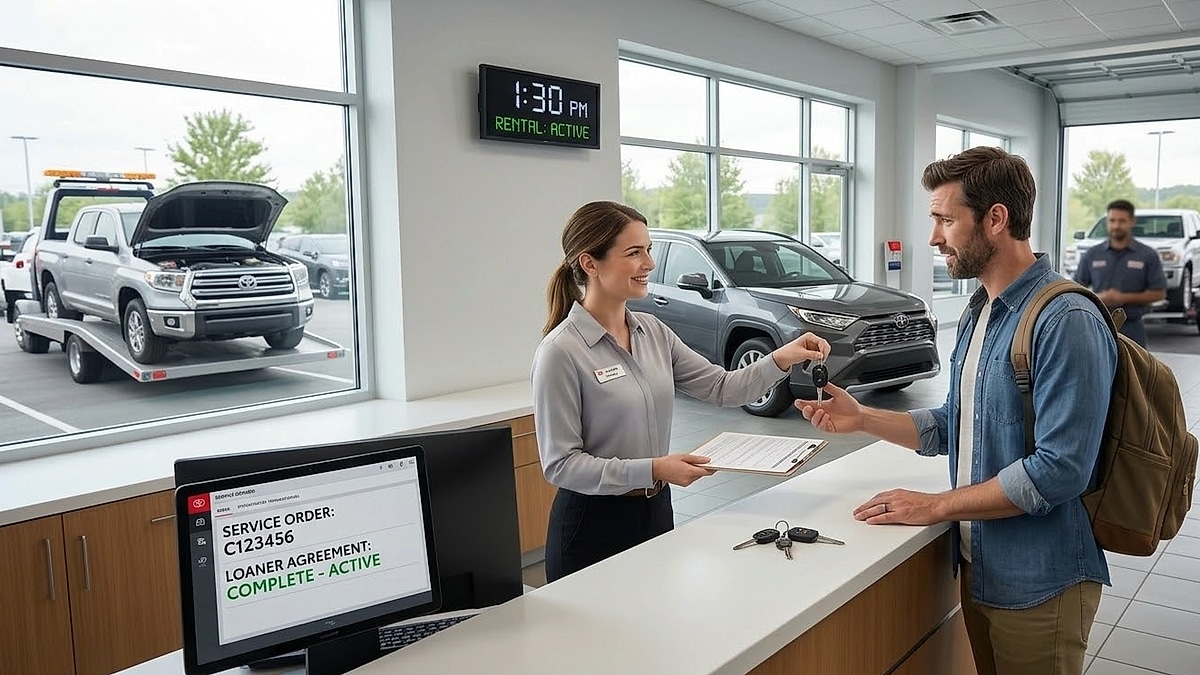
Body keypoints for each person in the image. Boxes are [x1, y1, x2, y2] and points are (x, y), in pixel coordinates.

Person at [797, 147, 1117, 675]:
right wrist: (863, 419)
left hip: (1041, 580)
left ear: (996, 219)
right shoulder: (979, 310)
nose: (934, 237)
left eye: (946, 219)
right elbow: (955, 422)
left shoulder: (1065, 319)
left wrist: (937, 505)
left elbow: (1061, 470)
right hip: (980, 567)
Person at [532, 201, 830, 583]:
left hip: (656, 509)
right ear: (590, 263)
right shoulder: (560, 352)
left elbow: (723, 387)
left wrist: (782, 358)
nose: (650, 264)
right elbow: (561, 465)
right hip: (591, 526)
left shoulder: (653, 332)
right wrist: (654, 468)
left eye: (648, 250)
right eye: (634, 253)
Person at [1073, 199, 1167, 347]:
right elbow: (1077, 288)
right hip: (1099, 326)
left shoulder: (1147, 255)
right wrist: (1098, 298)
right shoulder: (1092, 254)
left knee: (1134, 370)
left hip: (1133, 328)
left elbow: (1159, 293)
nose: (1116, 226)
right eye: (1112, 220)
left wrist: (1122, 298)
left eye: (1122, 221)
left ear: (1132, 221)